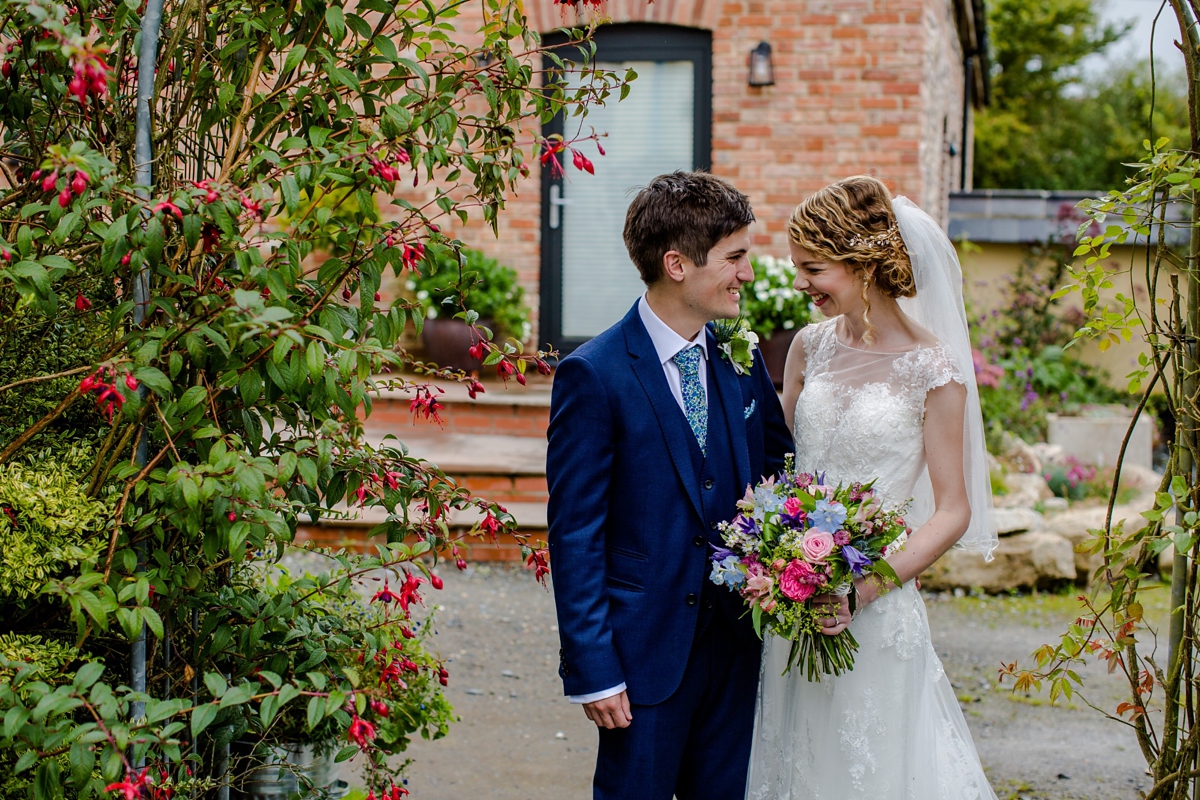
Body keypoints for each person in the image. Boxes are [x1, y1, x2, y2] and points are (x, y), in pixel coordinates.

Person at [744, 175, 1000, 799]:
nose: (799, 284)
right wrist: (769, 545)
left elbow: (952, 511)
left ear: (863, 264)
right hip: (791, 604)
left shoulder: (934, 369)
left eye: (813, 269)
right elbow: (781, 468)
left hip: (872, 610)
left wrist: (863, 589)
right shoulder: (808, 348)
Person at [546, 171, 793, 800]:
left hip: (736, 649)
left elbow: (778, 471)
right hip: (643, 659)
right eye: (735, 257)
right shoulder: (593, 376)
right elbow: (575, 533)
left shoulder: (738, 357)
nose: (746, 273)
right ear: (677, 263)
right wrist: (593, 670)